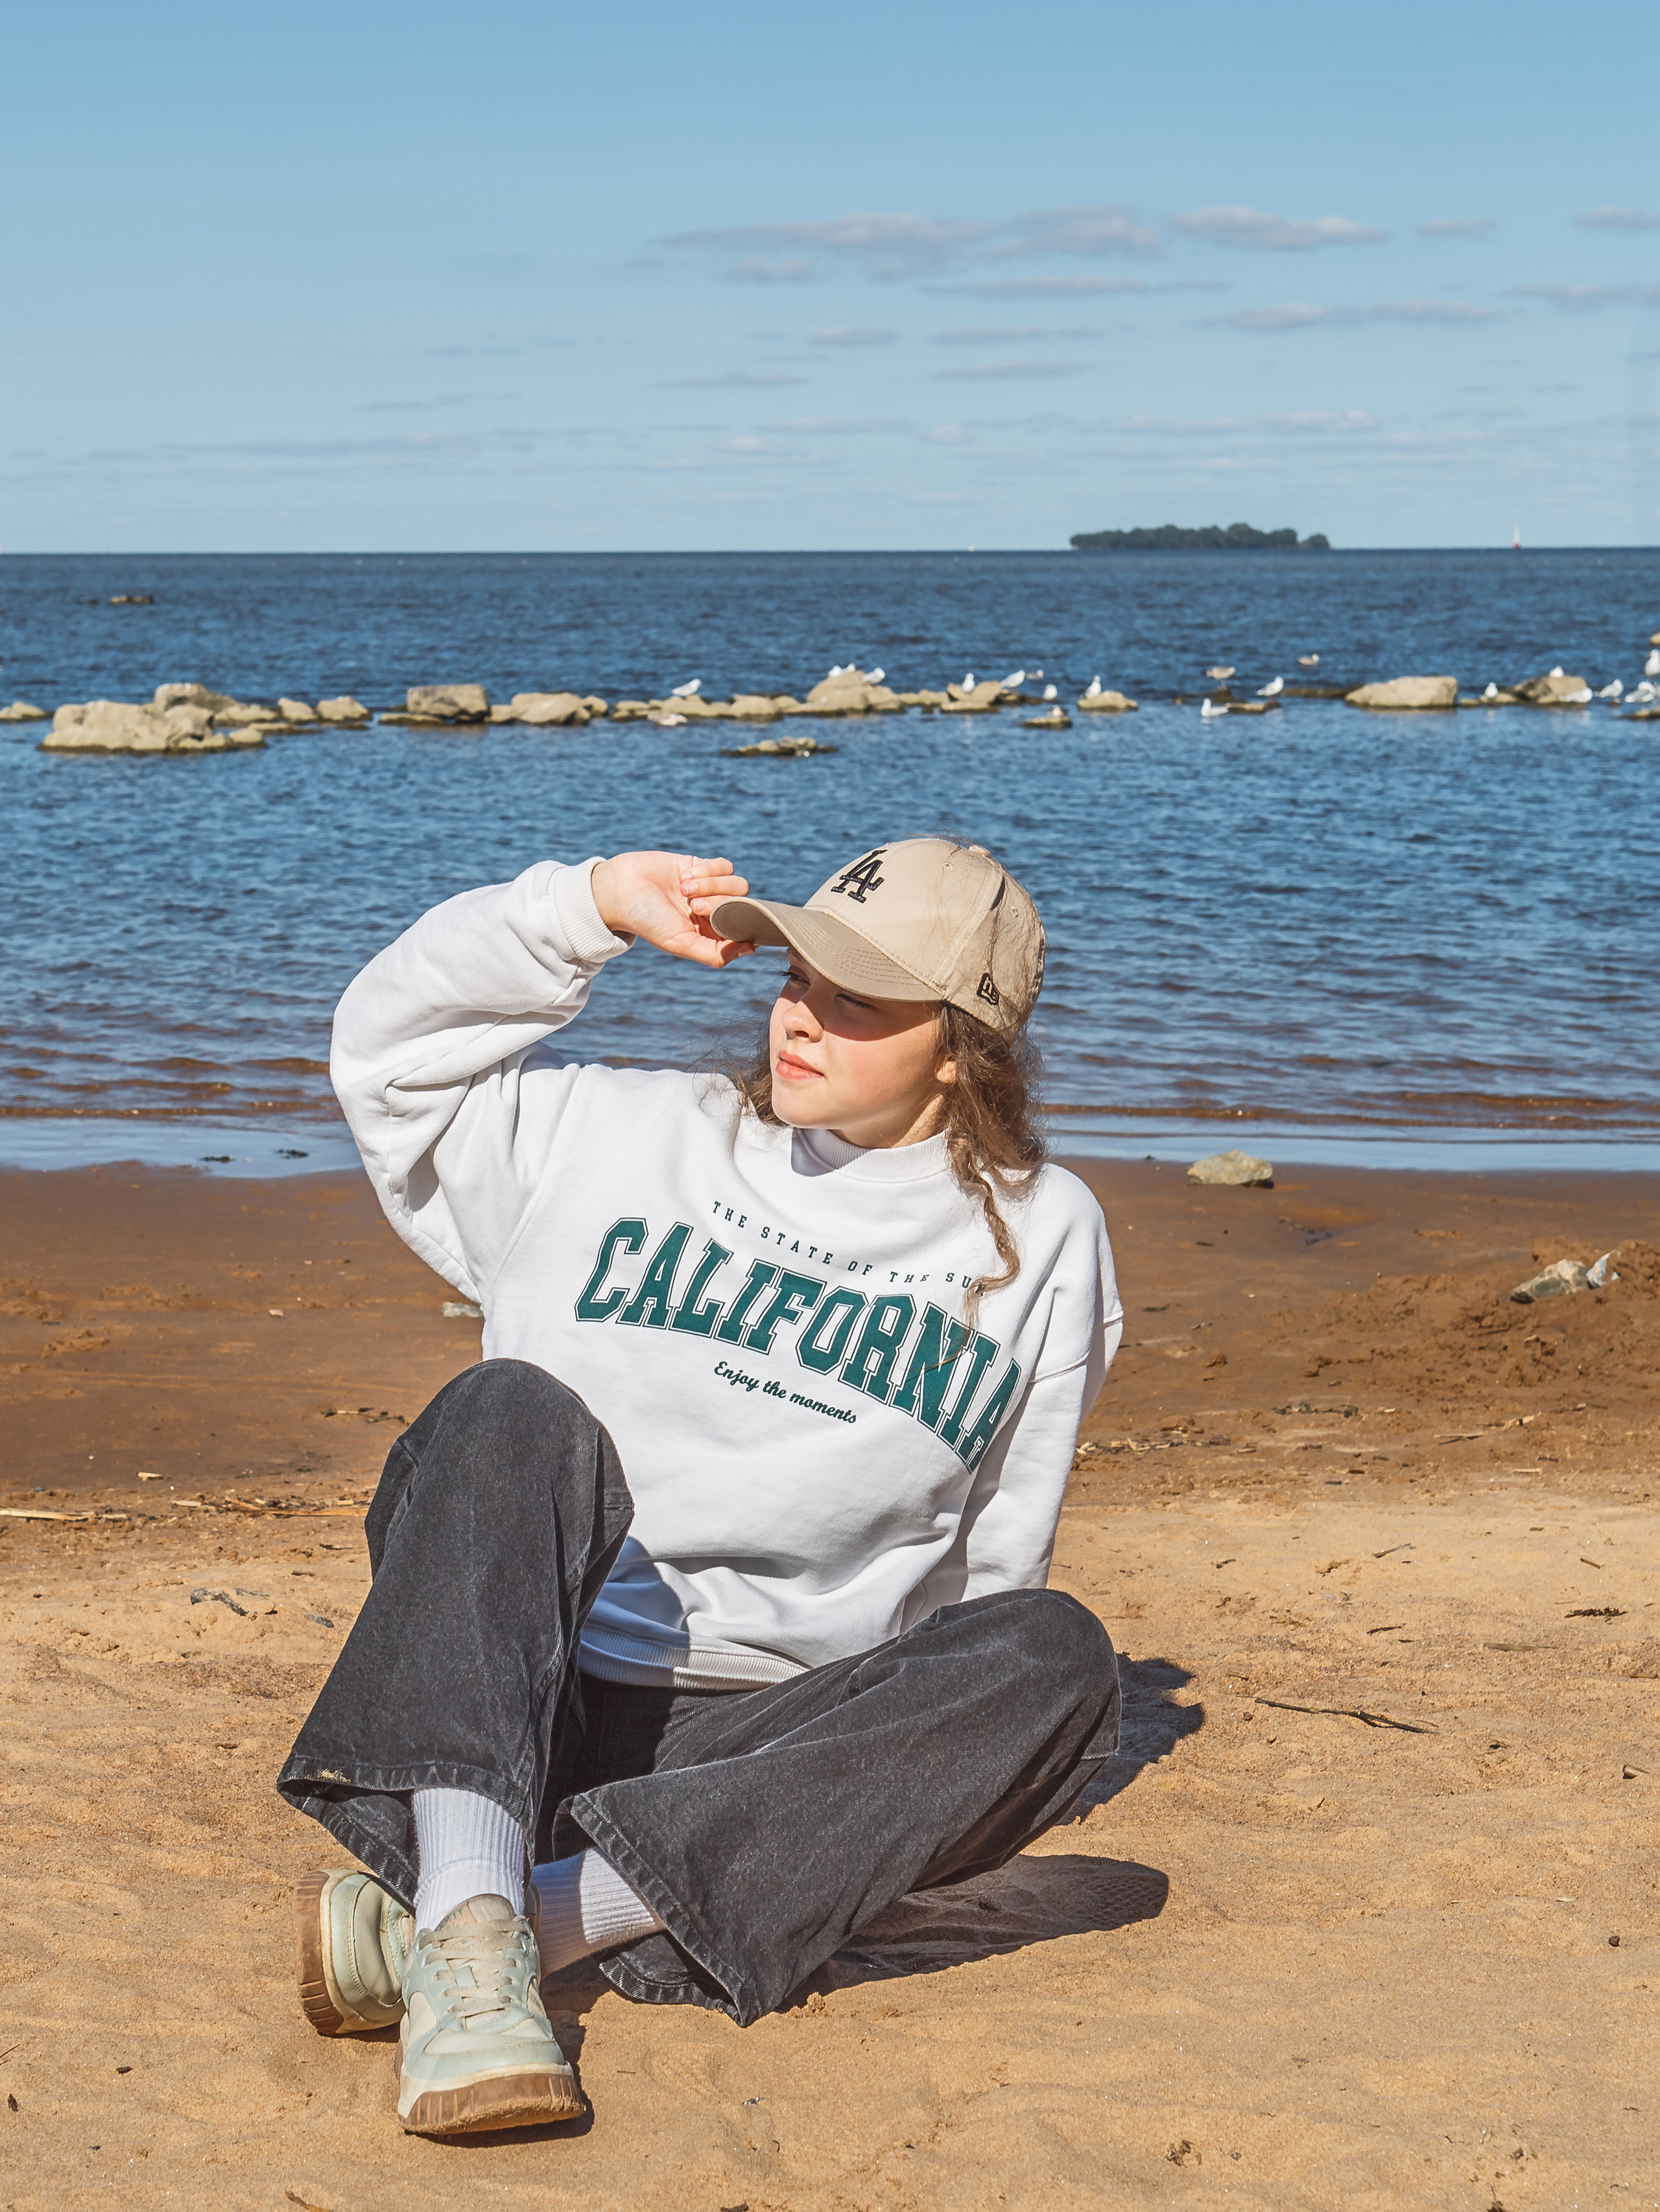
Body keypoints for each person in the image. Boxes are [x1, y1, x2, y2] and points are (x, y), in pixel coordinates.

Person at [278, 837, 1124, 2137]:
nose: (800, 1013)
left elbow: (997, 1561)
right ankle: (470, 1920)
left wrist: (904, 1763)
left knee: (1053, 1657)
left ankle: (512, 1918)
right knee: (506, 1411)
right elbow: (382, 1049)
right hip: (519, 1697)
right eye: (795, 975)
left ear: (964, 1043)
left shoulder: (1045, 1232)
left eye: (858, 996)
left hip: (764, 1745)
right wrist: (586, 907)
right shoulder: (614, 1128)